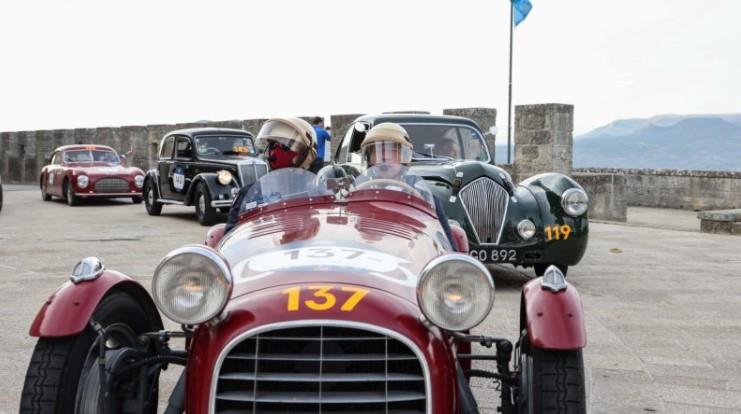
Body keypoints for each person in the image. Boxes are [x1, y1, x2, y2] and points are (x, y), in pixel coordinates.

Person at [357, 122, 459, 251]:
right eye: (377, 151)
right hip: (370, 251)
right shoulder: (358, 191)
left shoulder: (421, 192)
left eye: (392, 151)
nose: (385, 157)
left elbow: (444, 239)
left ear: (404, 156)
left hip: (409, 253)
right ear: (369, 158)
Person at [224, 117, 317, 233]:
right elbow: (231, 234)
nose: (276, 151)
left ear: (304, 154)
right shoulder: (250, 193)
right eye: (273, 145)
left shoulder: (315, 190)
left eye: (285, 146)